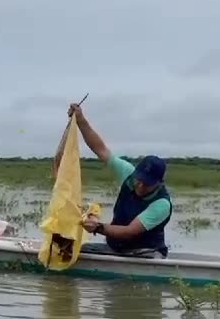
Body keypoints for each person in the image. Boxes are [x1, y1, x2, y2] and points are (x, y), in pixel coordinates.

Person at [68, 103, 172, 258]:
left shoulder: (162, 204)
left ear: (159, 183)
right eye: (139, 179)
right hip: (115, 247)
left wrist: (98, 228)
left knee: (149, 257)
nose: (140, 185)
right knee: (73, 249)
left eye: (147, 183)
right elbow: (100, 149)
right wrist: (81, 120)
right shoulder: (128, 173)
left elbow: (130, 231)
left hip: (146, 251)